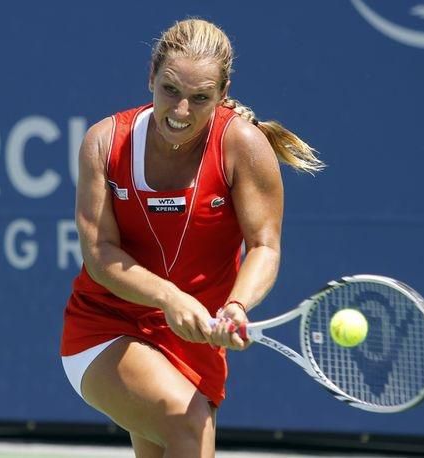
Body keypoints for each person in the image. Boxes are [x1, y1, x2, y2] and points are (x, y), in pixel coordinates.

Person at [60, 18, 324, 458]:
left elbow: (264, 246)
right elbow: (100, 254)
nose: (181, 111)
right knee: (189, 424)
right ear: (151, 76)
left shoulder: (243, 145)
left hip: (197, 338)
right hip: (105, 328)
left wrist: (236, 306)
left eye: (200, 98)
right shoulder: (104, 143)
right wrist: (169, 297)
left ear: (223, 93)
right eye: (170, 91)